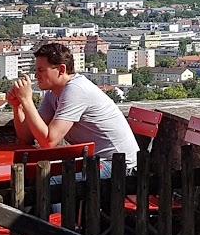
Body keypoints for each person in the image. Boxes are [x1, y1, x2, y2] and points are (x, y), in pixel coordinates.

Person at [7, 40, 139, 176]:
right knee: (33, 180)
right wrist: (17, 106)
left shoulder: (76, 90)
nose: (36, 75)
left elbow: (48, 141)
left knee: (44, 184)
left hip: (119, 166)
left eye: (41, 70)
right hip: (97, 162)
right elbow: (27, 137)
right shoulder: (53, 93)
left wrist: (27, 100)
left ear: (61, 70)